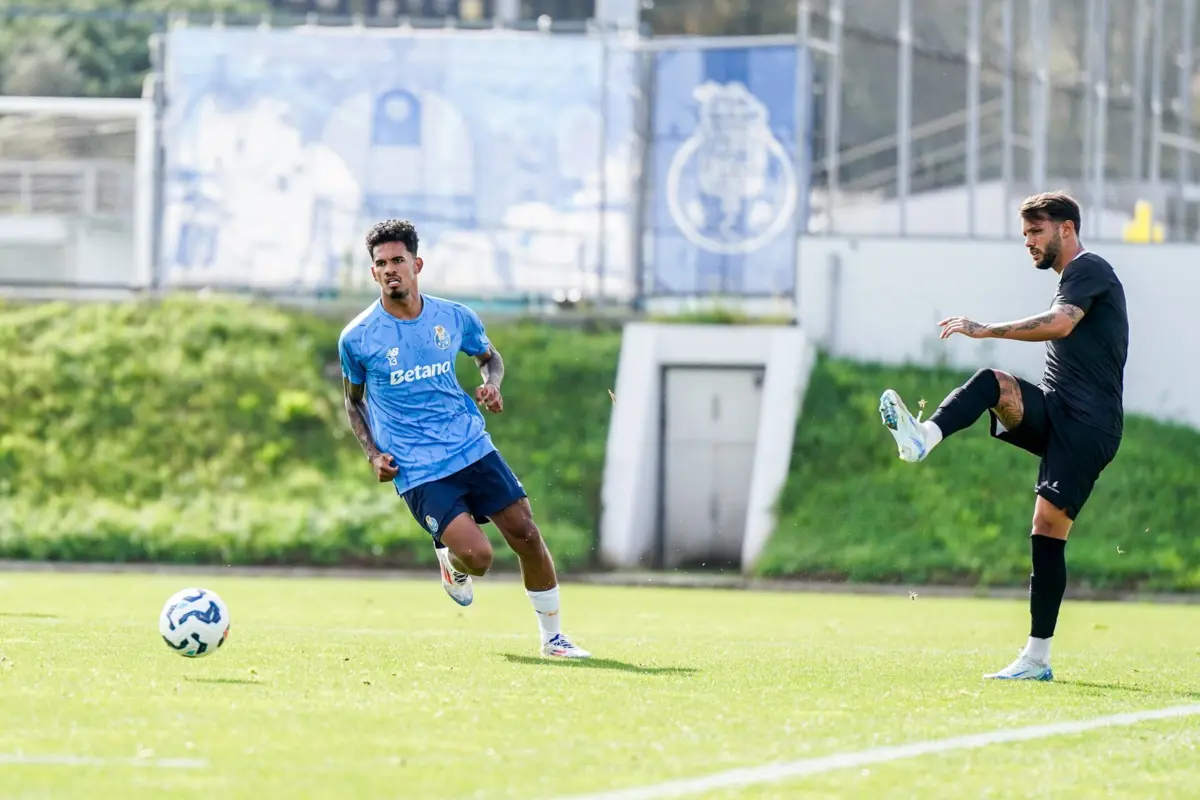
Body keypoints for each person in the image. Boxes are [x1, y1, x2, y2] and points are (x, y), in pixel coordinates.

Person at [879, 191, 1128, 681]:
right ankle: (923, 438)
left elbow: (1059, 323)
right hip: (1058, 411)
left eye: (1037, 232)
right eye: (1025, 235)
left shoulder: (1090, 269)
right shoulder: (1070, 278)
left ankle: (1036, 660)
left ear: (1067, 229)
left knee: (1047, 530)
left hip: (1089, 425)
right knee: (993, 384)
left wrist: (985, 327)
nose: (1030, 243)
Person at [338, 218, 591, 659]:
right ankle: (452, 564)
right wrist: (373, 453)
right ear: (373, 272)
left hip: (471, 445)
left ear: (417, 264)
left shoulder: (453, 317)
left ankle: (553, 639)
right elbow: (353, 402)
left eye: (398, 260)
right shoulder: (358, 338)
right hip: (417, 467)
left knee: (527, 535)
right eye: (381, 264)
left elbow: (489, 357)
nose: (390, 269)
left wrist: (492, 384)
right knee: (479, 558)